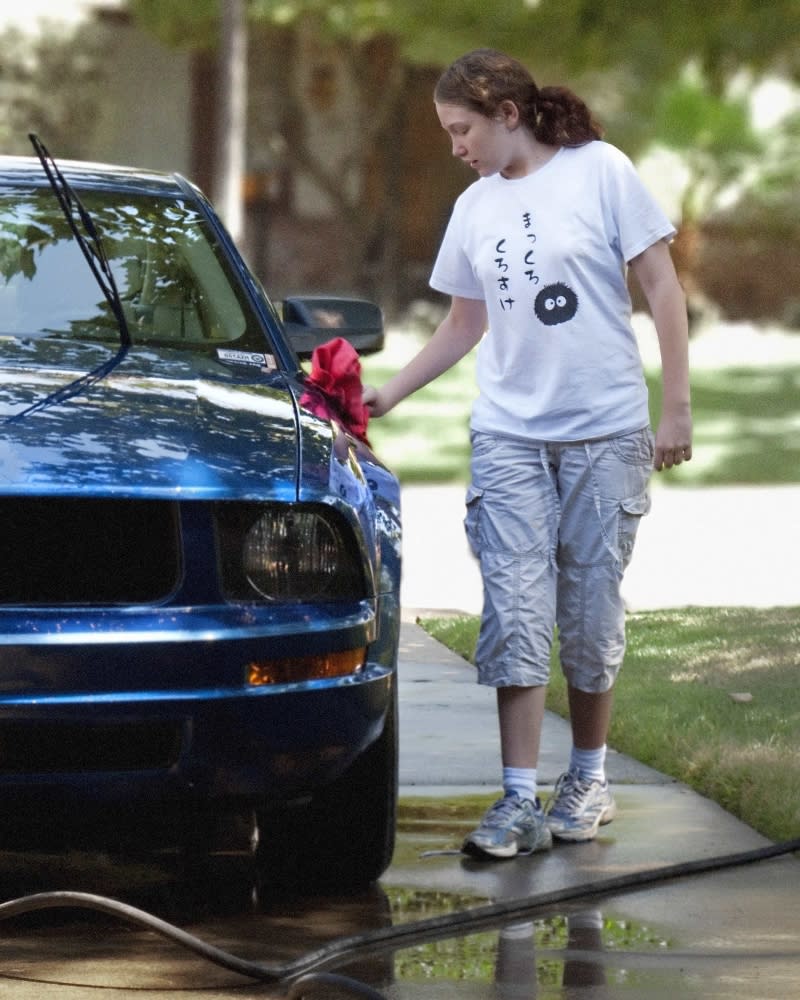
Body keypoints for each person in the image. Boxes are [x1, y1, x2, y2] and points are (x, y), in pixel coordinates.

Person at [363, 48, 692, 859]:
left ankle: (587, 777)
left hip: (604, 431)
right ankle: (516, 799)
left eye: (461, 128)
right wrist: (384, 395)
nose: (455, 147)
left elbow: (660, 286)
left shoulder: (600, 171)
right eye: (446, 133)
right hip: (508, 435)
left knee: (586, 612)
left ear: (506, 114)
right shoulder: (475, 207)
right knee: (513, 609)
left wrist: (675, 406)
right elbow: (463, 326)